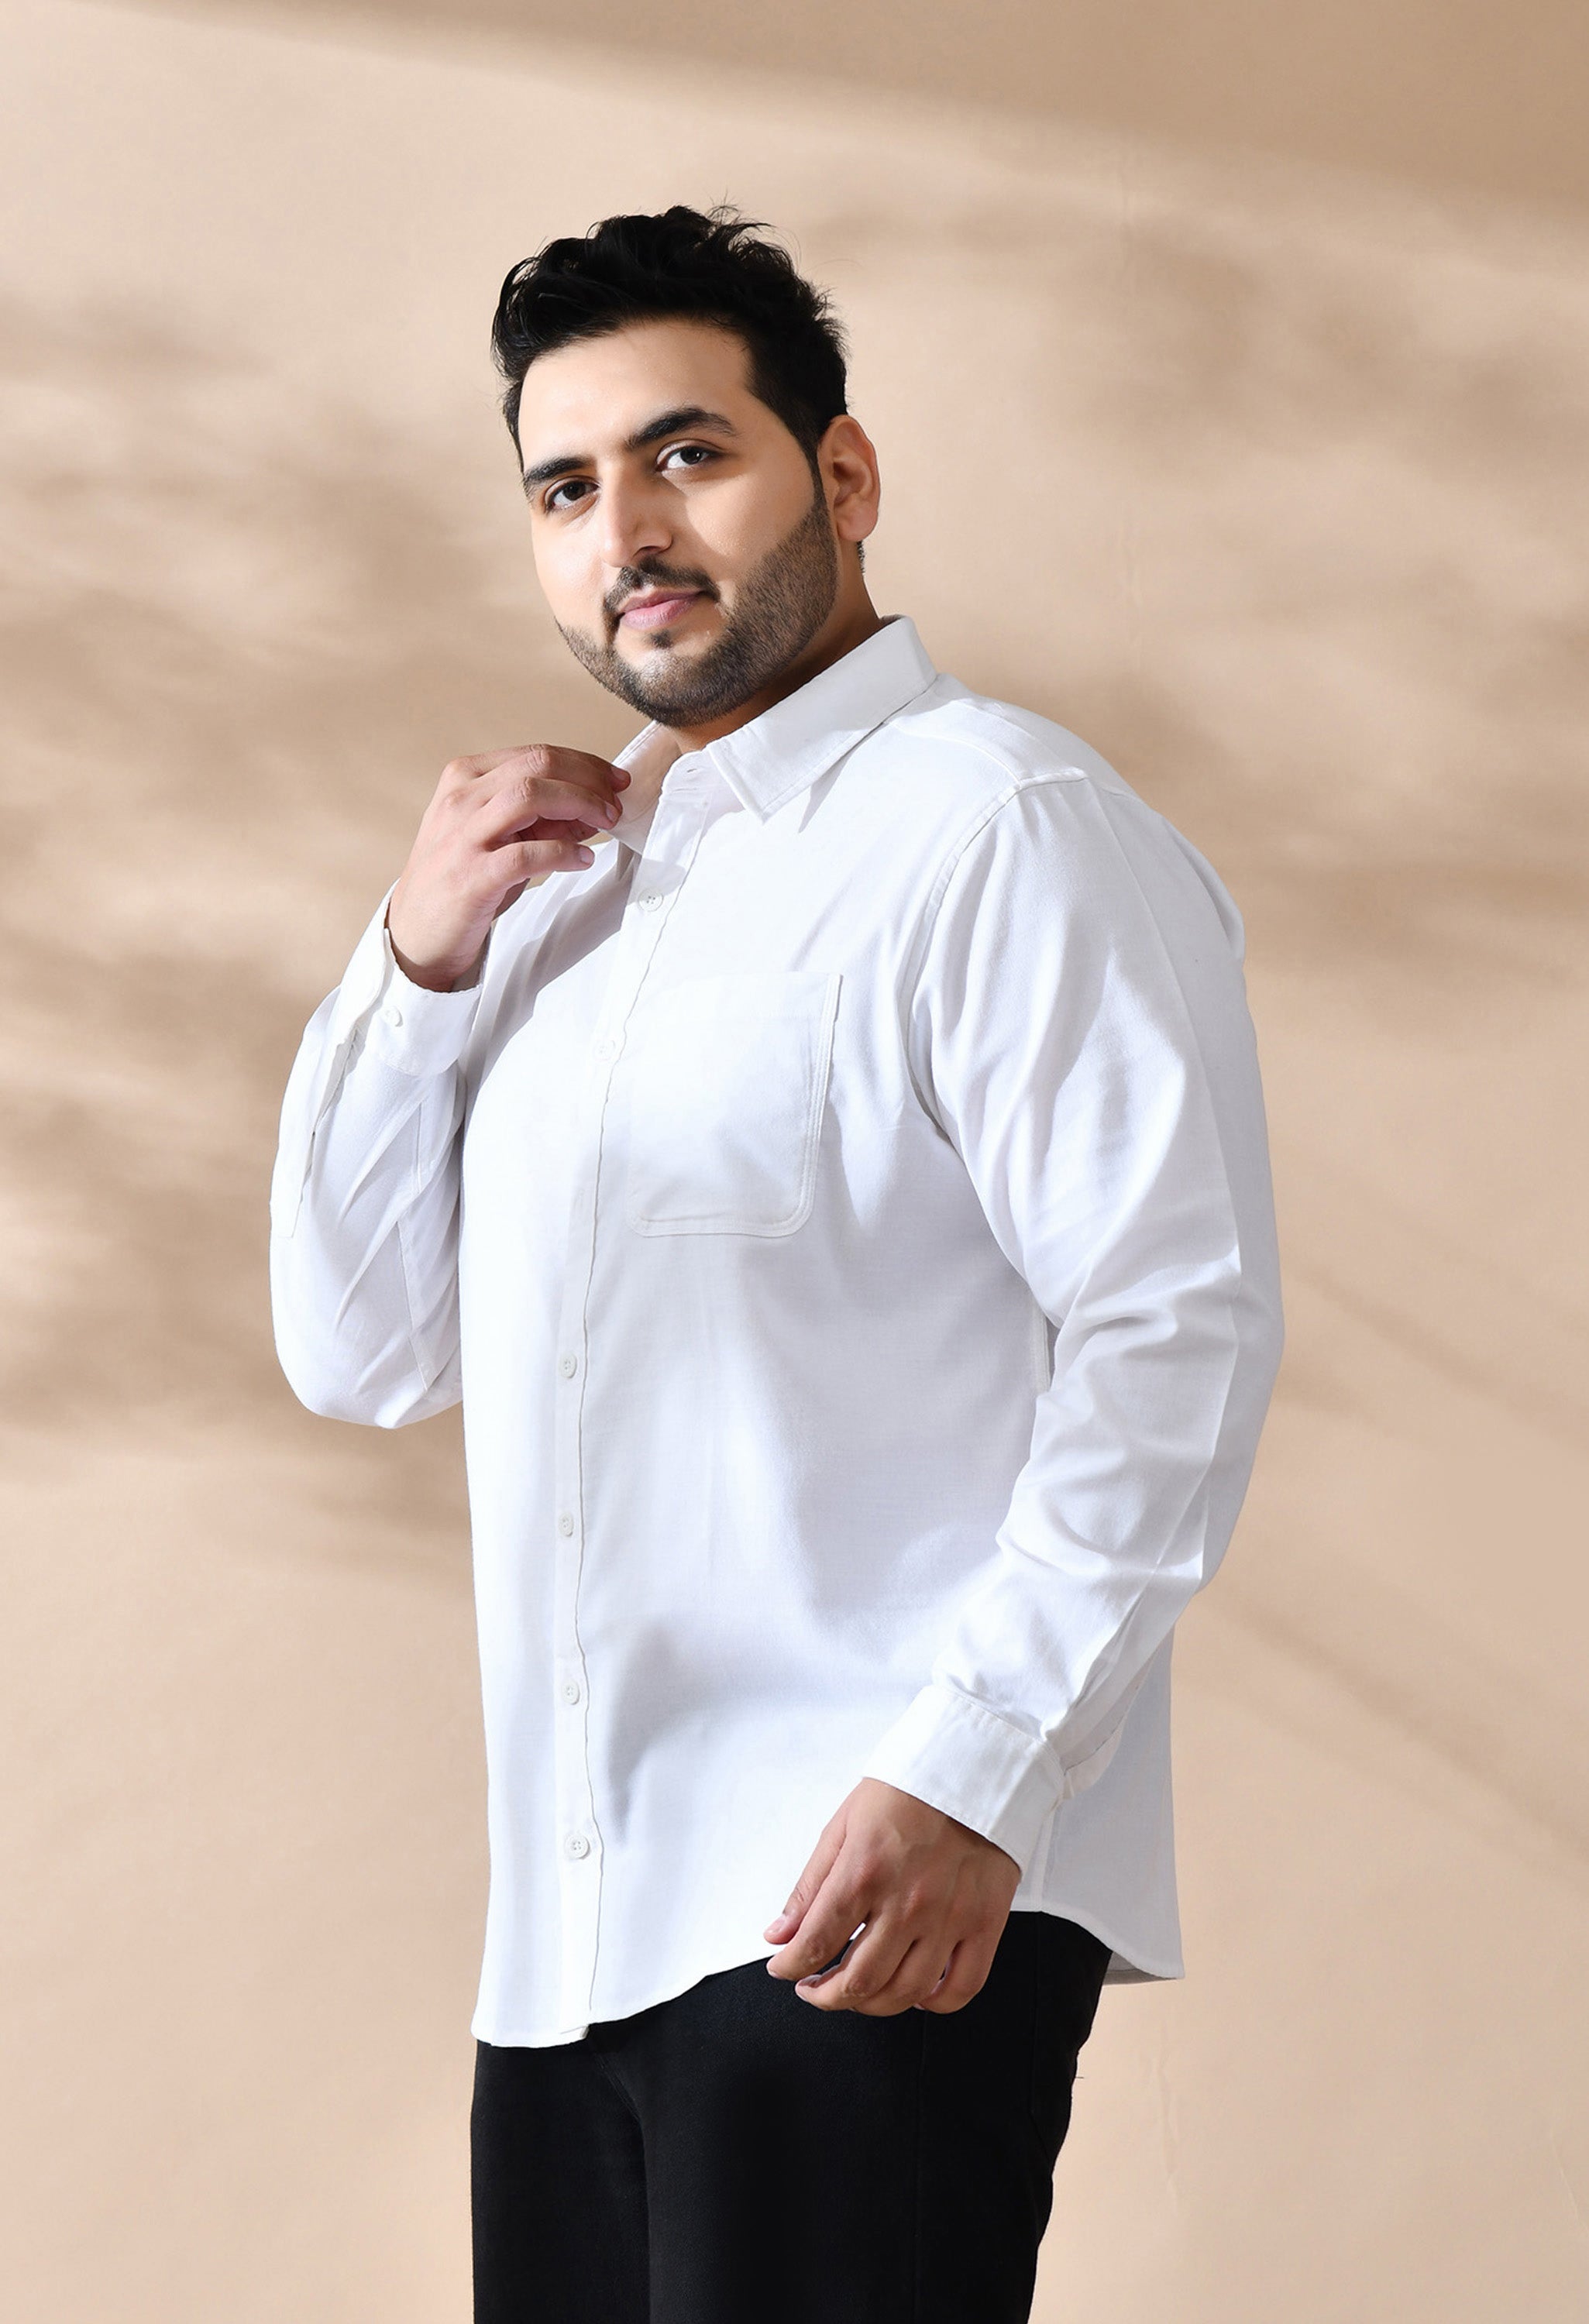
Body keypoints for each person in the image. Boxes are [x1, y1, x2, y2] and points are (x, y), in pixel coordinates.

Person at [269, 204, 1284, 2324]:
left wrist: (970, 1775)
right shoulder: (555, 900)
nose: (626, 529)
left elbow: (1170, 1327)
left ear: (839, 476)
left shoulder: (999, 828)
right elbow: (358, 1350)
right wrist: (415, 965)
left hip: (866, 1899)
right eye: (565, 487)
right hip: (568, 1943)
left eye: (685, 454)